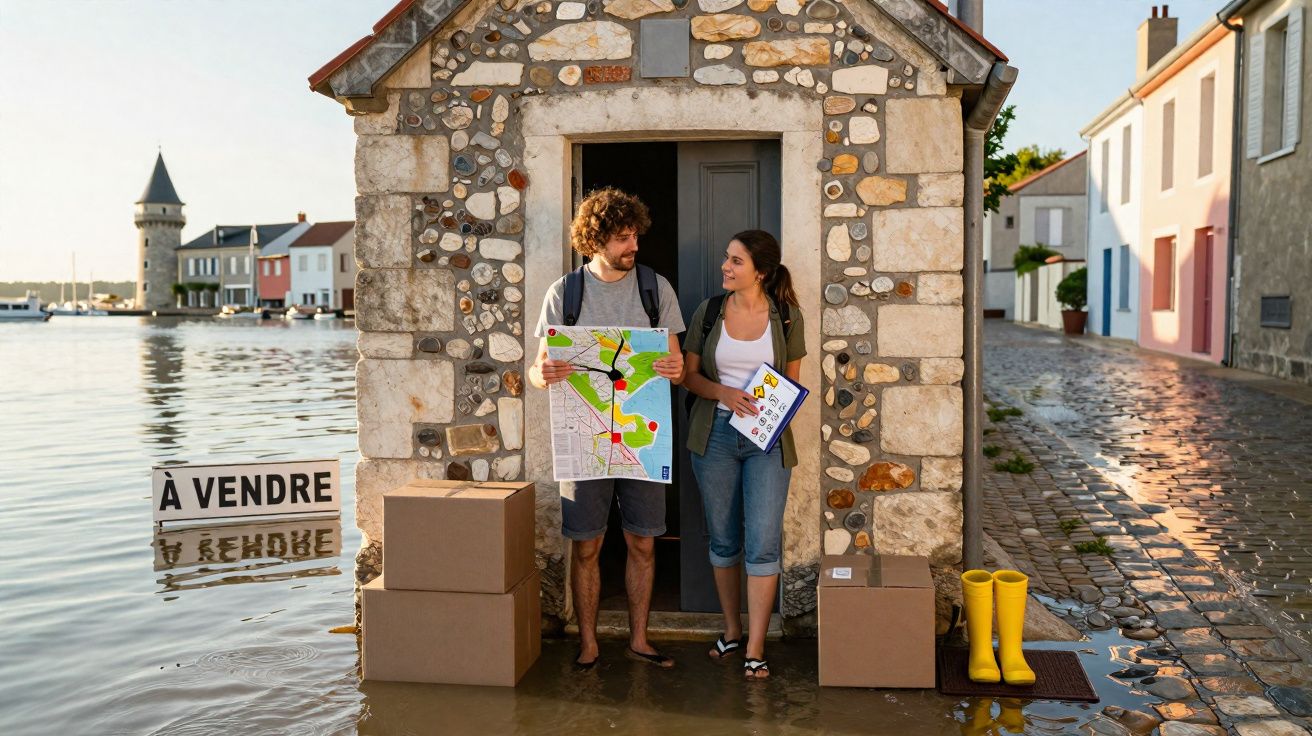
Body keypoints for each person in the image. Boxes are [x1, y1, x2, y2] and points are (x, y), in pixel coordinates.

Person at [528, 187, 686, 670]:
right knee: (588, 544)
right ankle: (589, 643)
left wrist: (675, 370)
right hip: (584, 439)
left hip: (642, 438)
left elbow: (676, 362)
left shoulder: (656, 289)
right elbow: (537, 371)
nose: (633, 246)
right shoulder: (565, 293)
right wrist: (544, 375)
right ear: (595, 240)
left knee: (643, 540)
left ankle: (640, 639)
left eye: (635, 235)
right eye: (622, 238)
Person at [681, 230, 806, 680]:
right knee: (723, 540)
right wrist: (724, 394)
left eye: (736, 261)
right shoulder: (709, 312)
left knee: (763, 544)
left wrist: (767, 415)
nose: (725, 267)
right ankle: (732, 630)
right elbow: (688, 377)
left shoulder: (788, 317)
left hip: (766, 440)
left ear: (761, 272)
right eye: (726, 257)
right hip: (713, 435)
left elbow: (792, 384)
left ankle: (755, 646)